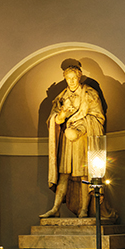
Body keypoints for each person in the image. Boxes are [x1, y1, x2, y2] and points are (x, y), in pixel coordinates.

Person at [41, 58, 105, 219]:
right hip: (67, 140)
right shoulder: (61, 97)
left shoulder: (89, 94)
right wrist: (62, 114)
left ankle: (84, 209)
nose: (71, 81)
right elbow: (53, 120)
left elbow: (98, 118)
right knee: (63, 174)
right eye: (68, 78)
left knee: (84, 173)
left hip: (83, 138)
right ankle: (55, 208)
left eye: (74, 78)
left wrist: (82, 127)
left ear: (79, 77)